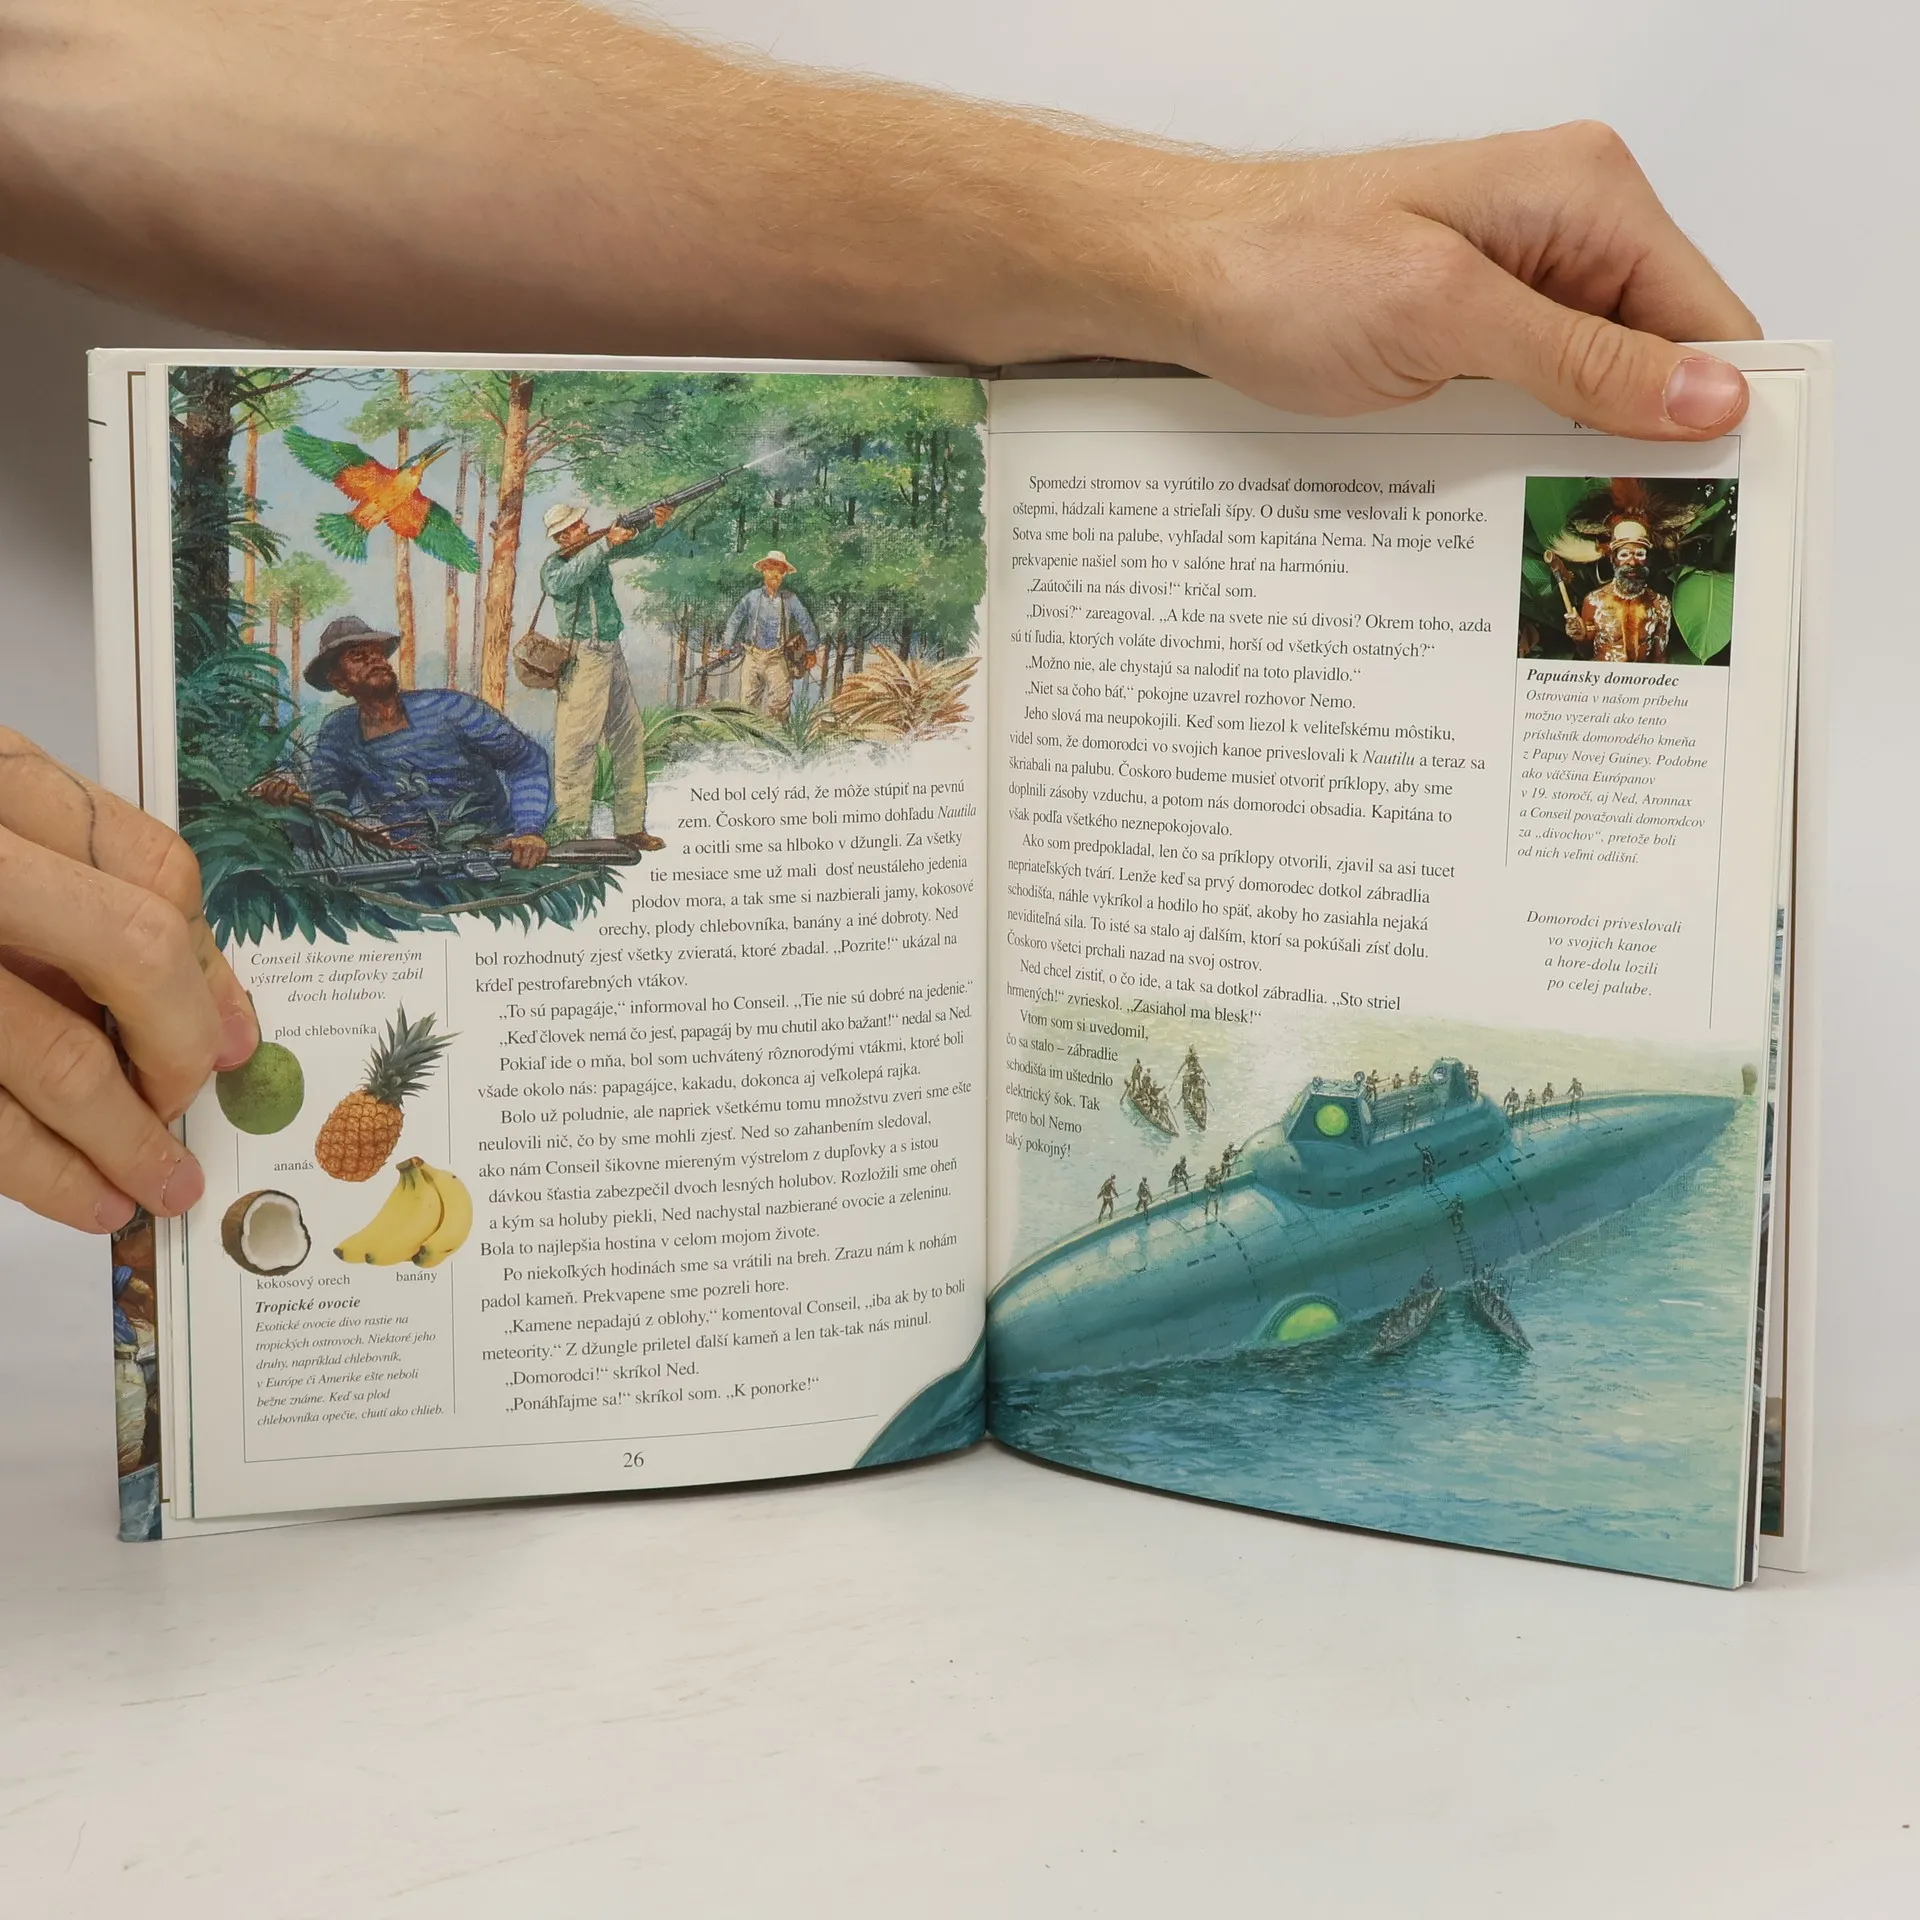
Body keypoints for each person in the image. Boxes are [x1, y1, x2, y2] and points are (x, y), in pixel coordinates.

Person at [0, 2, 1760, 1234]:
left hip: (537, 766)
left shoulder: (484, 688)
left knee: (611, 751)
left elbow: (72, 61)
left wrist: (1193, 238)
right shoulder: (407, 697)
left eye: (380, 653)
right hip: (481, 798)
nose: (376, 668)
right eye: (363, 661)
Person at [256, 617, 550, 866]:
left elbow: (526, 760)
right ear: (341, 683)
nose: (374, 660)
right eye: (358, 656)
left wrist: (528, 830)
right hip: (412, 870)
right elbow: (324, 822)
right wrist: (288, 805)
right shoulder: (339, 733)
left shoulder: (452, 708)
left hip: (496, 860)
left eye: (377, 653)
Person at [537, 502, 671, 850]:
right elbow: (562, 582)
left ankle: (630, 827)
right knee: (577, 745)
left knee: (628, 736)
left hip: (611, 652)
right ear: (564, 536)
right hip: (582, 656)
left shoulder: (595, 551)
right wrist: (606, 542)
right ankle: (571, 831)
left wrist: (655, 525)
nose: (584, 526)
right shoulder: (554, 566)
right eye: (577, 525)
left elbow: (635, 546)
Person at [721, 553, 819, 722]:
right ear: (764, 571)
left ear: (783, 575)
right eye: (772, 569)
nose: (775, 574)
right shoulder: (752, 597)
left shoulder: (790, 599)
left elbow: (805, 621)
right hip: (753, 656)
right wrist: (726, 644)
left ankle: (776, 735)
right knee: (747, 704)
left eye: (780, 571)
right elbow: (734, 619)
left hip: (777, 657)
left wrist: (811, 649)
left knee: (780, 704)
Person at [1563, 519, 1672, 663]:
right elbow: (1586, 652)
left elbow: (1660, 659)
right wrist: (1580, 638)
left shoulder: (1660, 604)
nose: (1632, 562)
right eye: (1624, 555)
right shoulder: (1594, 602)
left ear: (1648, 560)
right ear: (1613, 559)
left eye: (1640, 554)